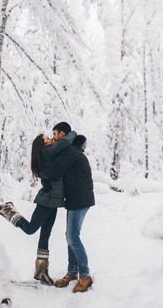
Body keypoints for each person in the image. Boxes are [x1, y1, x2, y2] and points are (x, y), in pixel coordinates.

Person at [0, 128, 76, 285]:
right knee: (30, 229)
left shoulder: (49, 152)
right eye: (46, 138)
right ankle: (7, 210)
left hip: (54, 201)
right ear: (42, 145)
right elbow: (64, 143)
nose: (50, 138)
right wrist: (72, 133)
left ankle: (41, 272)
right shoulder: (47, 152)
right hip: (46, 200)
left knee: (45, 235)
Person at [42, 123, 95, 293]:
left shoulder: (70, 152)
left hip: (80, 199)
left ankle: (85, 275)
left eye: (55, 134)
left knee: (73, 237)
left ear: (62, 133)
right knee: (70, 236)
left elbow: (53, 172)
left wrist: (39, 169)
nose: (53, 137)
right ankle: (72, 272)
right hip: (75, 199)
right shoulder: (70, 150)